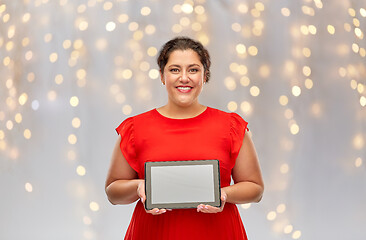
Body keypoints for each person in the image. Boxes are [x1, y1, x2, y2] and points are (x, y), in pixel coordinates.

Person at [105, 36, 264, 240]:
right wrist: (138, 186)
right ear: (162, 76)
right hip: (153, 233)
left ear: (205, 76)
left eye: (193, 69)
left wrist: (224, 195)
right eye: (174, 69)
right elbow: (113, 192)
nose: (184, 78)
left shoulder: (231, 126)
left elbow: (255, 189)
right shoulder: (135, 128)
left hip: (217, 232)